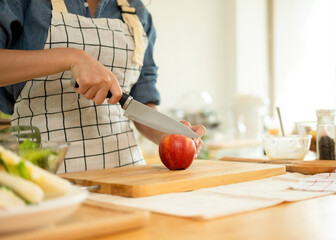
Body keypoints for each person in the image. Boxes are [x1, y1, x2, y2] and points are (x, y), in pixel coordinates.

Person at [0, 0, 205, 173]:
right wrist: (71, 57)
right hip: (46, 173)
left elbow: (141, 98)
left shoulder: (136, 11)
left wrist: (165, 134)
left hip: (125, 172)